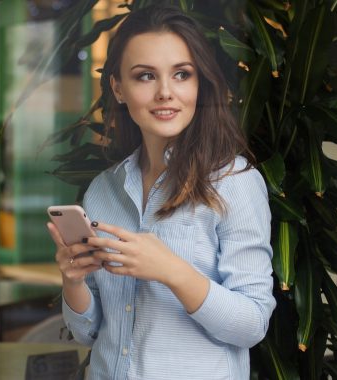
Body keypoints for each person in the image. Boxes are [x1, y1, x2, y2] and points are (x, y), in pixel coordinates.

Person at [47, 4, 276, 379]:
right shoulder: (104, 190)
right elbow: (87, 331)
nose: (166, 92)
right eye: (145, 76)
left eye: (182, 74)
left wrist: (172, 271)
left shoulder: (234, 182)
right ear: (118, 88)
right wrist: (73, 280)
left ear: (199, 83)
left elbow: (251, 324)